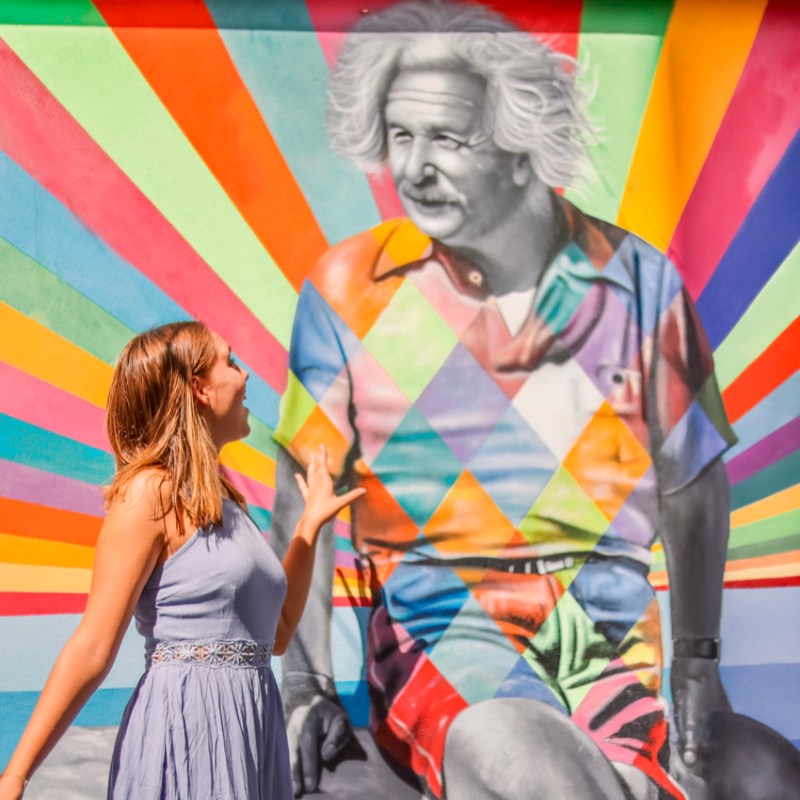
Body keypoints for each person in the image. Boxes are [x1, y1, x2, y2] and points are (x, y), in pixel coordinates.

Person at [271, 3, 742, 800]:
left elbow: (693, 485)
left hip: (611, 630)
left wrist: (697, 661)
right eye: (402, 136)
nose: (414, 167)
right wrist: (303, 685)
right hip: (438, 621)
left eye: (448, 139)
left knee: (649, 781)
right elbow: (301, 500)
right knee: (526, 758)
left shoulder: (641, 279)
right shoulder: (347, 286)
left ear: (523, 148)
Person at [0, 321, 364, 799]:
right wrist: (15, 776)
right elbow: (93, 645)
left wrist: (308, 527)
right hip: (188, 732)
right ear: (199, 389)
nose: (246, 375)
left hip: (251, 733)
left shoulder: (228, 505)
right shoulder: (149, 493)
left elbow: (276, 635)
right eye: (230, 363)